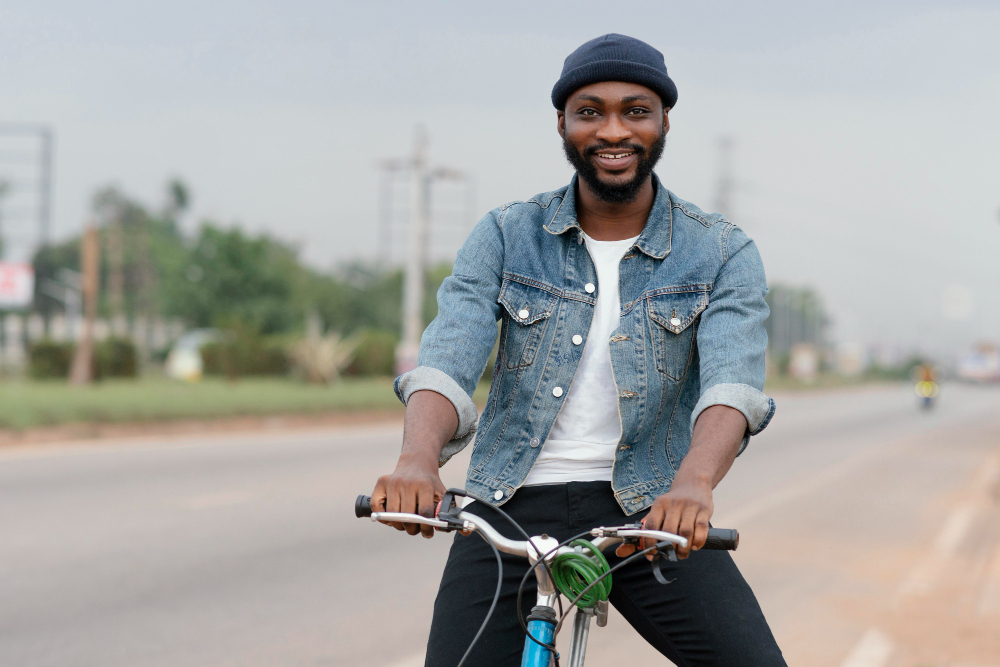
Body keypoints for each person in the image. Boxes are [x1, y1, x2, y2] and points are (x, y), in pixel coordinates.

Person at [371, 33, 785, 666]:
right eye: (590, 111)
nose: (612, 130)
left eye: (635, 111)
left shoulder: (722, 251)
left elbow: (732, 387)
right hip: (508, 504)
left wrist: (694, 485)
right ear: (563, 123)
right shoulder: (507, 234)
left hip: (649, 513)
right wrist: (416, 460)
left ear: (664, 122)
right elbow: (449, 359)